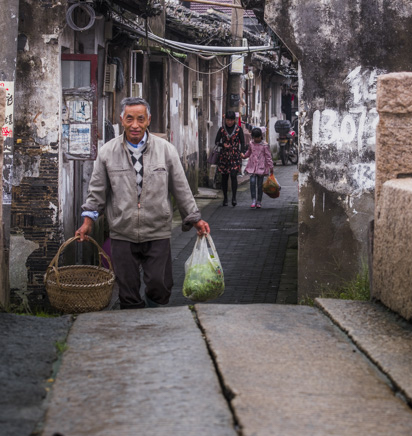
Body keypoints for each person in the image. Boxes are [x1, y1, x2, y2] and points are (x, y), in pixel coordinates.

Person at [74, 97, 210, 309]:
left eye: (140, 119)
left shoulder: (166, 150)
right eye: (129, 119)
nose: (135, 125)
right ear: (121, 119)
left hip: (157, 230)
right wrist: (87, 221)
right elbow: (97, 191)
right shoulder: (107, 152)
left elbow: (181, 188)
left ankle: (154, 319)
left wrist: (195, 219)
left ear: (148, 120)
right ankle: (133, 327)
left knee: (160, 284)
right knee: (127, 287)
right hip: (122, 230)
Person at [214, 110, 245, 206]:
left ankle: (234, 198)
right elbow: (216, 141)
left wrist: (242, 152)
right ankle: (225, 198)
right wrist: (223, 144)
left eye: (231, 120)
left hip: (235, 155)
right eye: (228, 120)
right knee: (224, 177)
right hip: (224, 156)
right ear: (225, 120)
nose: (229, 122)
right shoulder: (222, 129)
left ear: (234, 120)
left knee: (233, 176)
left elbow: (242, 142)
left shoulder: (238, 129)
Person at [242, 126, 274, 209]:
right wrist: (244, 156)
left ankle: (259, 201)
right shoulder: (251, 143)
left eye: (258, 137)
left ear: (261, 136)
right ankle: (253, 200)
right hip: (252, 166)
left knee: (260, 185)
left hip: (261, 167)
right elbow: (249, 152)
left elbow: (268, 157)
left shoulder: (265, 145)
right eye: (254, 137)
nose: (256, 139)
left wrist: (271, 167)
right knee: (252, 182)